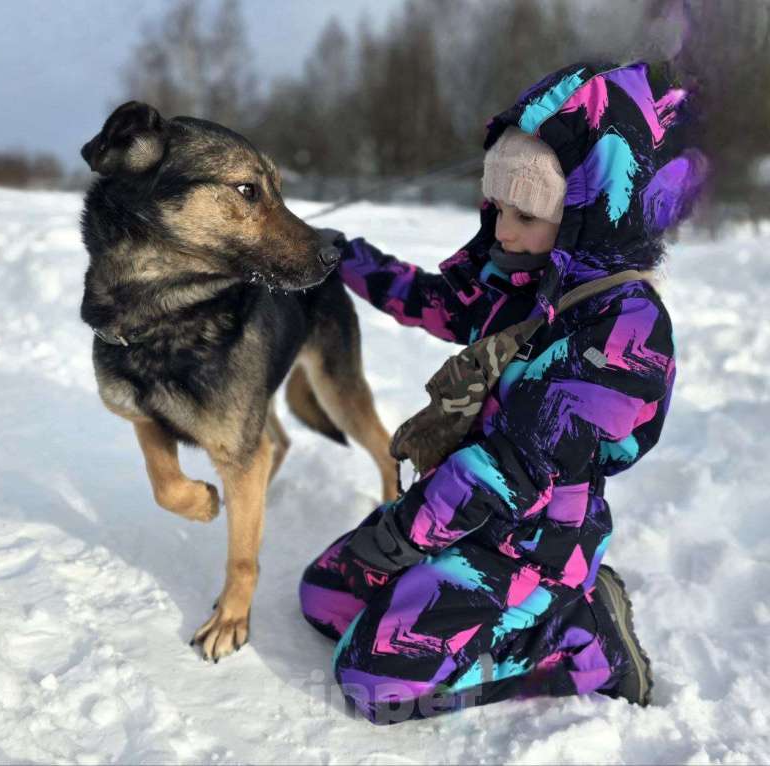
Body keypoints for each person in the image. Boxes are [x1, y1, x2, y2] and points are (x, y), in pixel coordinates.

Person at [298, 61, 707, 725]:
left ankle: (581, 640)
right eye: (497, 209)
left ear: (585, 212)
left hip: (533, 544)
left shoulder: (623, 329)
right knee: (326, 599)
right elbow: (431, 300)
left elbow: (512, 469)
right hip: (464, 510)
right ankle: (446, 600)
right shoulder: (524, 279)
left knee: (373, 684)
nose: (504, 232)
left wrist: (401, 536)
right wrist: (342, 255)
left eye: (526, 214)